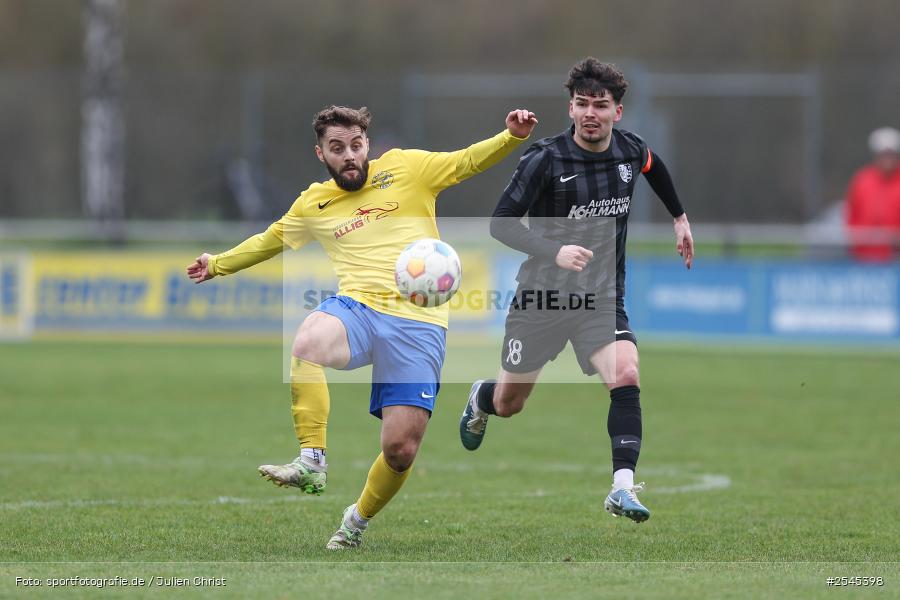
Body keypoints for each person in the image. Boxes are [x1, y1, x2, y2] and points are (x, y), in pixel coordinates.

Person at [187, 105, 537, 549]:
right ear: (321, 153)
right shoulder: (314, 202)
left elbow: (466, 160)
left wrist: (511, 137)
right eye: (338, 149)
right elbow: (269, 240)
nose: (349, 155)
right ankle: (312, 460)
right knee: (308, 340)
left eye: (356, 146)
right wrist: (216, 264)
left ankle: (355, 522)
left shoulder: (407, 168)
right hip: (358, 309)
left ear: (367, 144)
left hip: (418, 325)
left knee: (400, 450)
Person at [458, 58, 693, 523]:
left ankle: (622, 488)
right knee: (510, 404)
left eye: (600, 105)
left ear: (617, 113)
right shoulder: (545, 158)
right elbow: (500, 224)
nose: (590, 113)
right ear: (570, 108)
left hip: (599, 298)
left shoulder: (630, 150)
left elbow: (653, 166)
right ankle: (482, 397)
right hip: (541, 297)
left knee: (626, 372)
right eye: (582, 104)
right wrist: (554, 250)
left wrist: (679, 217)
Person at [845, 127, 900, 261]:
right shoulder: (862, 180)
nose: (887, 159)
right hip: (864, 258)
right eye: (883, 154)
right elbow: (852, 216)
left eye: (890, 154)